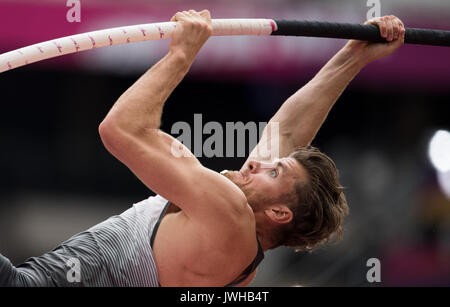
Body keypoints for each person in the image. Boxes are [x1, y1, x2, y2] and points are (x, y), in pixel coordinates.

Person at [0, 10, 405, 287]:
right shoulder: (243, 248)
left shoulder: (229, 213)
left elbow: (119, 129)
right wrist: (353, 56)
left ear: (280, 212)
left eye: (273, 172)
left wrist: (182, 53)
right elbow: (286, 132)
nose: (257, 163)